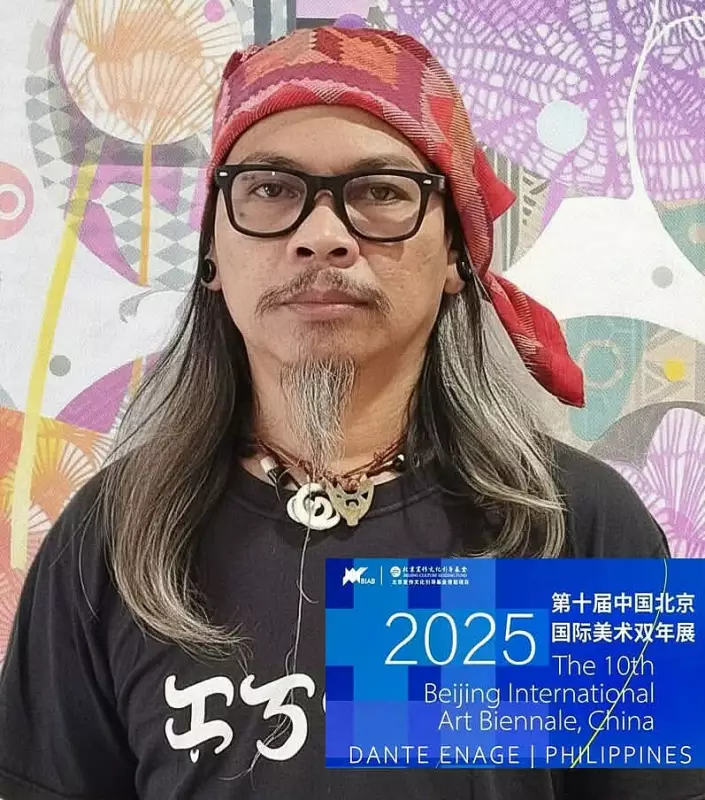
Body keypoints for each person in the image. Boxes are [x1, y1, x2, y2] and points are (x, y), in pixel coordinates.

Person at [0, 25, 702, 800]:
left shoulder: (577, 528)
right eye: (270, 189)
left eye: (380, 192)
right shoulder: (115, 537)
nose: (322, 237)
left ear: (455, 254)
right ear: (211, 252)